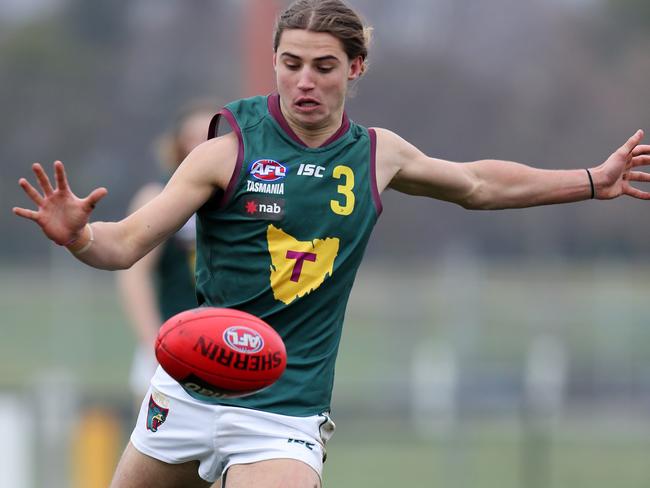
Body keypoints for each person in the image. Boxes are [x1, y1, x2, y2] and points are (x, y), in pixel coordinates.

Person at [12, 0, 650, 487]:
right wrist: (80, 237)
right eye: (291, 65)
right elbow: (123, 246)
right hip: (187, 388)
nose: (305, 82)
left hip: (282, 412)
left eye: (323, 67)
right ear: (276, 64)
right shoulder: (226, 149)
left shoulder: (378, 155)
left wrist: (593, 181)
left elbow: (478, 182)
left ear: (356, 67)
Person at [116, 102, 214, 409]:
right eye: (193, 136)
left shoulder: (244, 202)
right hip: (173, 344)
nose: (203, 145)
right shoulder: (158, 197)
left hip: (225, 348)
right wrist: (153, 344)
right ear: (177, 145)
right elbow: (134, 276)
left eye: (211, 135)